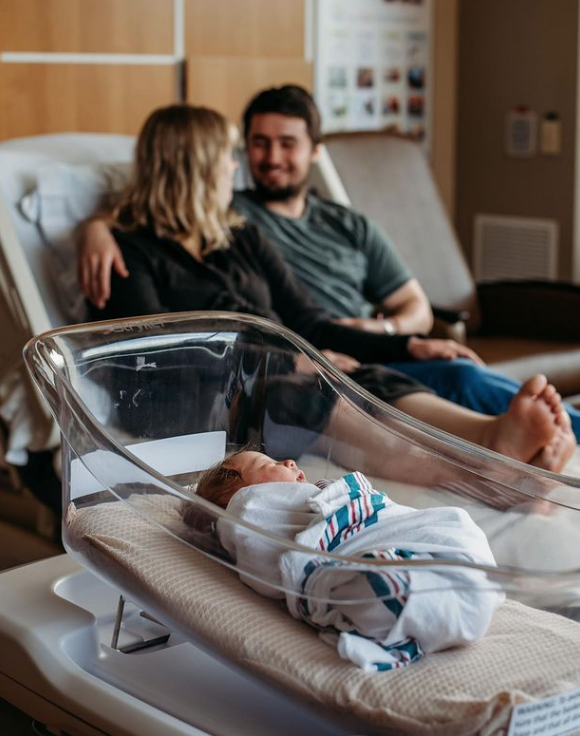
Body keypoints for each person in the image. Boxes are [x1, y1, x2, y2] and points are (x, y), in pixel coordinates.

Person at [85, 103, 575, 473]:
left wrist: (407, 343)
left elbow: (310, 320)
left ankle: (490, 438)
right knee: (305, 392)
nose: (236, 168)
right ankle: (477, 472)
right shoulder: (128, 253)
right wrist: (287, 358)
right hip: (201, 395)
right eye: (228, 157)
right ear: (193, 166)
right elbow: (159, 354)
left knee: (366, 377)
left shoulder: (239, 237)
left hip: (277, 371)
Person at [183, 450, 504, 672]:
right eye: (266, 462)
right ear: (242, 493)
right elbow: (259, 552)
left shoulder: (323, 496)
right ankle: (399, 591)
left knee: (444, 558)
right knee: (365, 590)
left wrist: (334, 497)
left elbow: (374, 512)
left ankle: (400, 587)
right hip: (381, 564)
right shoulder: (247, 512)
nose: (289, 460)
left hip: (419, 544)